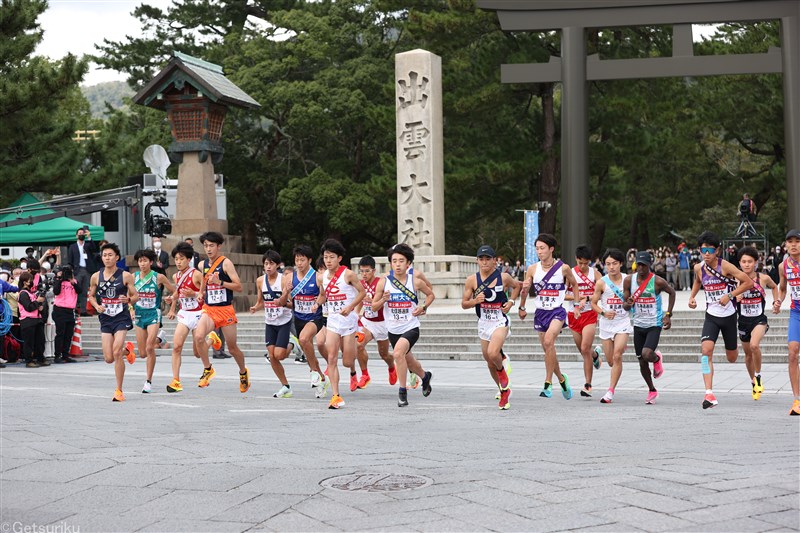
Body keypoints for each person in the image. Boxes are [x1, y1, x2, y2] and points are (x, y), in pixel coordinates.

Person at [688, 231, 753, 409]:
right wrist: (692, 297)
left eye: (710, 250)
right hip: (712, 317)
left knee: (732, 357)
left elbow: (748, 282)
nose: (706, 253)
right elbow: (697, 281)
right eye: (703, 250)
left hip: (729, 316)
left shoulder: (726, 267)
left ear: (717, 250)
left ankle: (734, 348)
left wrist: (730, 295)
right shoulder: (698, 268)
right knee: (705, 351)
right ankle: (709, 393)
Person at [519, 233, 582, 399]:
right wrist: (522, 306)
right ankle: (562, 379)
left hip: (557, 311)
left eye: (542, 248)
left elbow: (575, 286)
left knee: (548, 342)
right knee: (548, 349)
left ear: (551, 249)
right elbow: (525, 290)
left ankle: (548, 383)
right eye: (537, 249)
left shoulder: (564, 268)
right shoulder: (532, 269)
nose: (539, 252)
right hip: (541, 312)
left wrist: (576, 306)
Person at [371, 243, 435, 407]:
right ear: (390, 263)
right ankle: (425, 376)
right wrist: (383, 300)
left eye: (401, 261)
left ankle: (402, 392)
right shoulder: (383, 282)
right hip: (392, 329)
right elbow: (373, 307)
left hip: (411, 327)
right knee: (409, 361)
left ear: (408, 264)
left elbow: (430, 295)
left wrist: (424, 307)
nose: (398, 264)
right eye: (394, 261)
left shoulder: (416, 282)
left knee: (398, 354)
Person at [461, 245, 521, 409]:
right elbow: (464, 304)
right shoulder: (472, 280)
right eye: (482, 259)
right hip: (484, 322)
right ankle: (503, 391)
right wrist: (475, 301)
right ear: (477, 261)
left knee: (493, 352)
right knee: (489, 361)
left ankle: (502, 373)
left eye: (488, 259)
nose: (485, 262)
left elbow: (517, 286)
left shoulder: (504, 277)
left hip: (500, 320)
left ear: (495, 261)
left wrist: (511, 302)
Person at [193, 231, 250, 393]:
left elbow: (239, 286)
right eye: (205, 246)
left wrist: (220, 282)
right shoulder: (202, 265)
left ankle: (243, 372)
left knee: (232, 348)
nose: (208, 249)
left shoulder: (226, 263)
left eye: (211, 246)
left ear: (219, 246)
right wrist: (201, 292)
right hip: (209, 309)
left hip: (225, 310)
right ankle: (207, 369)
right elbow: (204, 281)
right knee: (198, 336)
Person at [312, 239, 366, 409]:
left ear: (339, 258)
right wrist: (317, 303)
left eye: (332, 257)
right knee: (332, 358)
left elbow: (362, 292)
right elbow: (323, 295)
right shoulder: (322, 277)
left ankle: (353, 369)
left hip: (349, 323)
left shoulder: (348, 274)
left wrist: (350, 307)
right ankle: (336, 396)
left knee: (347, 361)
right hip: (333, 322)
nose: (328, 260)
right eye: (326, 257)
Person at [621, 251, 675, 404]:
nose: (641, 268)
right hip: (638, 325)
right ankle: (652, 390)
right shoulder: (628, 281)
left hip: (654, 324)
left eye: (644, 265)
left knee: (646, 353)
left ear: (650, 265)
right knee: (642, 361)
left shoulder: (657, 281)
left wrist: (668, 314)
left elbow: (672, 293)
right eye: (638, 265)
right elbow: (625, 306)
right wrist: (628, 304)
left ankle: (657, 358)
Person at [88, 242, 138, 401]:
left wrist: (129, 299)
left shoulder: (125, 276)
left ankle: (119, 390)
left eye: (110, 255)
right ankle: (128, 351)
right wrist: (96, 305)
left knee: (116, 352)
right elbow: (90, 295)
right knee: (109, 358)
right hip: (106, 319)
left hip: (121, 317)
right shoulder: (96, 276)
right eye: (104, 255)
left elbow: (136, 296)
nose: (107, 258)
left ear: (117, 257)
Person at [249, 250, 296, 398]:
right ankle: (285, 386)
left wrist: (281, 302)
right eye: (266, 264)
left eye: (271, 264)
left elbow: (291, 304)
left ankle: (293, 344)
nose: (268, 267)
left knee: (279, 355)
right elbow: (260, 300)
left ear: (277, 265)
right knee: (272, 356)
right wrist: (256, 307)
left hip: (283, 321)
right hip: (270, 322)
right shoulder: (260, 281)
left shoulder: (283, 280)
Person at [737, 246, 779, 400]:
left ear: (755, 262)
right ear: (739, 263)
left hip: (759, 319)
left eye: (750, 261)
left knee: (754, 345)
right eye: (744, 262)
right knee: (748, 355)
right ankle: (753, 382)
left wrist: (776, 301)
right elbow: (726, 299)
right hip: (742, 321)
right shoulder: (736, 279)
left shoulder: (763, 278)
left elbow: (774, 287)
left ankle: (759, 376)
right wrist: (735, 297)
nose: (747, 264)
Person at [591, 248, 632, 403]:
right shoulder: (601, 283)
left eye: (614, 263)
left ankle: (610, 391)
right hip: (606, 325)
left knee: (617, 356)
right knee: (610, 361)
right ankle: (600, 352)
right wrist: (603, 313)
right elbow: (594, 303)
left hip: (623, 322)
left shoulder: (628, 280)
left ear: (621, 263)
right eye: (608, 264)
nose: (611, 267)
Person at [288, 244, 330, 398]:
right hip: (298, 318)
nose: (299, 263)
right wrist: (286, 292)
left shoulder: (318, 277)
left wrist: (317, 303)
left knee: (304, 339)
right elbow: (285, 302)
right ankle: (321, 377)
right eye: (297, 260)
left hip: (314, 317)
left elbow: (324, 295)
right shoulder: (289, 277)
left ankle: (313, 372)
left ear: (309, 260)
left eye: (302, 260)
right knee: (306, 346)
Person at [132, 249, 176, 393]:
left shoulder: (159, 277)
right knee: (143, 353)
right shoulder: (133, 277)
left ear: (151, 262)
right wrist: (130, 309)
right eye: (140, 261)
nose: (142, 264)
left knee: (150, 348)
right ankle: (160, 339)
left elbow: (174, 291)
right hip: (139, 315)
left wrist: (171, 305)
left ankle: (148, 381)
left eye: (145, 261)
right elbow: (128, 296)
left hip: (153, 314)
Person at [165, 243, 204, 393]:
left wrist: (194, 294)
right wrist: (171, 300)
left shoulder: (197, 274)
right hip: (185, 313)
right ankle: (176, 381)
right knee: (176, 347)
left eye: (181, 259)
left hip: (199, 313)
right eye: (176, 259)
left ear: (189, 259)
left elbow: (206, 293)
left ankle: (212, 340)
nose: (178, 262)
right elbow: (178, 293)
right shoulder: (176, 276)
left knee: (197, 353)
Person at [355, 255, 397, 389]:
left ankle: (392, 367)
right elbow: (360, 301)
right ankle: (365, 375)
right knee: (358, 345)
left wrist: (376, 300)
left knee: (384, 354)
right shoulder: (361, 284)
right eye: (361, 271)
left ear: (374, 271)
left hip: (382, 323)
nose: (364, 274)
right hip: (367, 321)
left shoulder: (381, 283)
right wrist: (357, 313)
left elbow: (383, 301)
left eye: (367, 271)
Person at [567, 244, 602, 397]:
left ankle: (588, 385)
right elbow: (562, 295)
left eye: (586, 263)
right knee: (583, 350)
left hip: (589, 314)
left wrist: (587, 299)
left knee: (584, 348)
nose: (582, 266)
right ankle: (595, 356)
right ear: (576, 259)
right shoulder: (570, 274)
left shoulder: (596, 274)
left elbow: (601, 293)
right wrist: (577, 298)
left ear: (590, 262)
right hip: (574, 315)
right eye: (580, 262)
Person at [775, 229, 800, 415]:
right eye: (789, 241)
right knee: (792, 353)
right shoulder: (783, 266)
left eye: (797, 241)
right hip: (796, 312)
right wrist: (778, 301)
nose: (793, 244)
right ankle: (797, 400)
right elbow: (783, 289)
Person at [17, 272, 50, 368]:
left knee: (40, 341)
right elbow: (28, 307)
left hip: (37, 319)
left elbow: (34, 305)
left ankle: (40, 358)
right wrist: (37, 302)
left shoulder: (31, 293)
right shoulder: (23, 294)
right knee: (29, 342)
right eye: (30, 280)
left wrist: (40, 307)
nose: (32, 282)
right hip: (27, 320)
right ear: (25, 282)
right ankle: (29, 360)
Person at [67, 227, 98, 316]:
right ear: (76, 235)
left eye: (82, 233)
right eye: (79, 233)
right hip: (77, 270)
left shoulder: (88, 245)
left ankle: (83, 310)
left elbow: (94, 249)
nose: (81, 235)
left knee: (85, 291)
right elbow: (70, 260)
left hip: (87, 270)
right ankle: (74, 309)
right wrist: (71, 272)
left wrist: (89, 237)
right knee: (75, 290)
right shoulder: (72, 246)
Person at [52, 265, 80, 364]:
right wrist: (59, 278)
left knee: (68, 334)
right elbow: (56, 291)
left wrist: (73, 282)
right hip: (59, 309)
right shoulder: (58, 280)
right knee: (60, 333)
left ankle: (65, 355)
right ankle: (57, 355)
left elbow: (80, 291)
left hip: (70, 310)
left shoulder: (74, 282)